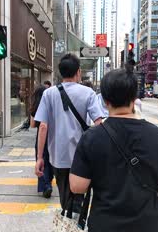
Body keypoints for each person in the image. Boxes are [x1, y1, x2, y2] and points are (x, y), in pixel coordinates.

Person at [69, 68, 158, 232]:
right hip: (148, 225)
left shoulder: (91, 138)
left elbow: (77, 186)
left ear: (105, 100)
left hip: (105, 224)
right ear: (134, 98)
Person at [34, 53, 104, 210]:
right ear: (78, 72)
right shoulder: (89, 93)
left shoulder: (49, 93)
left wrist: (39, 157)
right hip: (82, 156)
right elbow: (99, 124)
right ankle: (76, 218)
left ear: (60, 73)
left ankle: (69, 217)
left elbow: (43, 126)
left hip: (58, 157)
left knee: (65, 196)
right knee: (80, 196)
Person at [30, 85, 53, 198]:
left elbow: (32, 125)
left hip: (41, 136)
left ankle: (46, 185)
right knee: (49, 160)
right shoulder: (50, 104)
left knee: (41, 159)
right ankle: (49, 182)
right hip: (52, 135)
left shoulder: (35, 107)